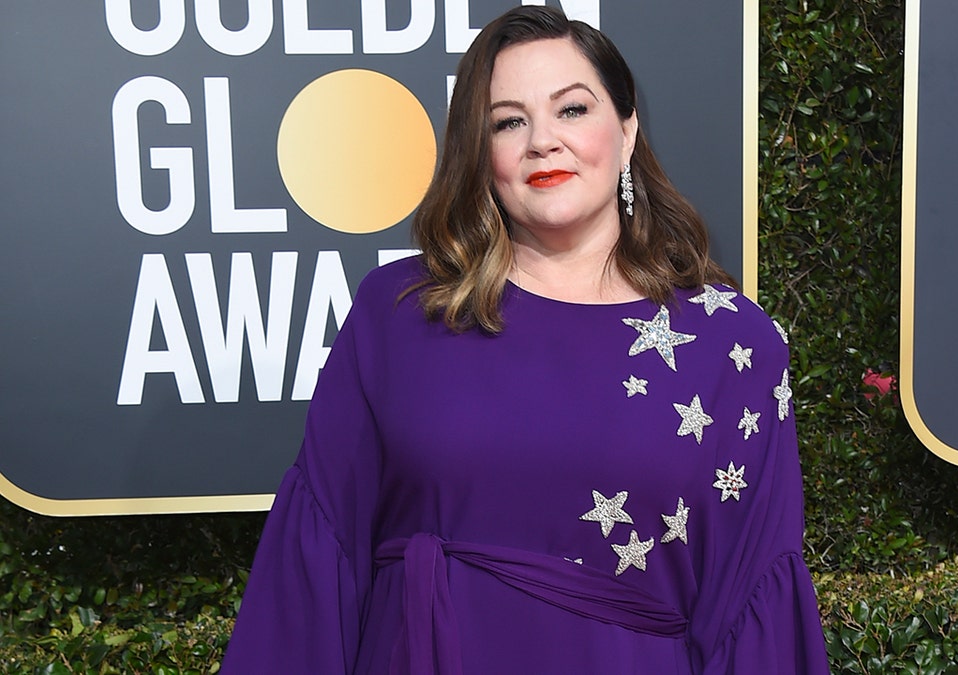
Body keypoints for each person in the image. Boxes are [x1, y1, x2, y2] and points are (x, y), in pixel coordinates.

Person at [221, 6, 828, 674]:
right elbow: (315, 572)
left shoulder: (732, 342)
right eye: (509, 121)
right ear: (480, 154)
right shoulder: (399, 313)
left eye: (571, 110)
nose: (543, 140)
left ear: (626, 132)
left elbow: (747, 603)